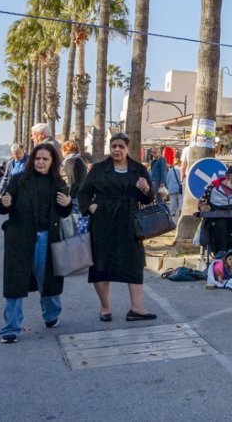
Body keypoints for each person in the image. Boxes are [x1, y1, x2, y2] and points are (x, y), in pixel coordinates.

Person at [0, 143, 72, 343]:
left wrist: (67, 205)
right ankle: (11, 328)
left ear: (52, 161)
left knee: (47, 279)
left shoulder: (58, 182)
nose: (40, 162)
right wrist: (4, 203)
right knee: (15, 283)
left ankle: (51, 314)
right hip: (20, 237)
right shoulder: (19, 179)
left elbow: (64, 212)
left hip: (48, 237)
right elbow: (1, 207)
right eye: (37, 158)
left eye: (45, 159)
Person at [77, 132, 156, 322]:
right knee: (101, 264)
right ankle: (105, 308)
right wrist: (90, 207)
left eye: (121, 146)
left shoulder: (138, 169)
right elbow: (83, 193)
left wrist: (145, 189)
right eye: (114, 146)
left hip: (129, 220)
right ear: (110, 148)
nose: (117, 150)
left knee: (134, 263)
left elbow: (148, 198)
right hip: (103, 220)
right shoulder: (98, 169)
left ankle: (137, 308)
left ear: (128, 149)